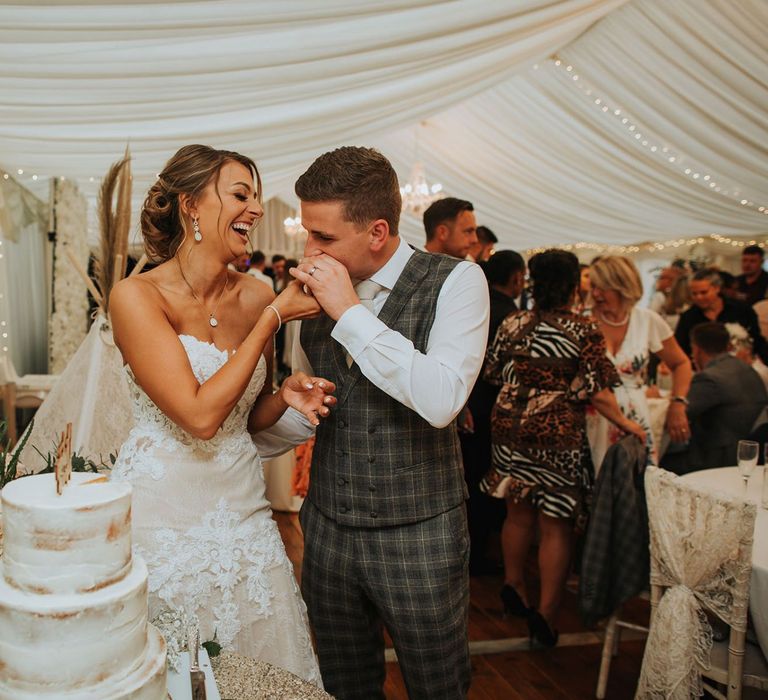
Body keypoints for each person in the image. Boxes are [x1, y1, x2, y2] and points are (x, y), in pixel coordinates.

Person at [109, 145, 334, 685]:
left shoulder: (255, 295)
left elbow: (239, 414)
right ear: (190, 205)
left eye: (255, 196)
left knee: (265, 668)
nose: (256, 209)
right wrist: (274, 318)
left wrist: (283, 397)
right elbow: (198, 415)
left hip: (244, 511)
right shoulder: (137, 297)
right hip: (164, 515)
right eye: (240, 194)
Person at [286, 146, 489, 699]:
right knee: (344, 682)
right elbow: (310, 408)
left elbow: (443, 397)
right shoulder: (307, 298)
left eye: (323, 238)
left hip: (420, 531)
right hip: (327, 527)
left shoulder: (458, 282)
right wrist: (288, 408)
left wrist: (348, 311)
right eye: (308, 233)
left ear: (377, 231)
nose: (309, 251)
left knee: (436, 683)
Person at [479, 250, 645, 648]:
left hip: (509, 423)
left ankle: (514, 586)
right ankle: (547, 613)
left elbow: (490, 371)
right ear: (574, 286)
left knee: (517, 513)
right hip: (556, 429)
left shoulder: (513, 321)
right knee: (556, 523)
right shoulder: (583, 329)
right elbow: (600, 393)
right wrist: (627, 425)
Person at [587, 256, 692, 467]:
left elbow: (681, 363)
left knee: (634, 483)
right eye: (594, 286)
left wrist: (678, 403)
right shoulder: (582, 321)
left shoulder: (647, 320)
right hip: (592, 415)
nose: (596, 294)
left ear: (623, 287)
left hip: (635, 415)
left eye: (603, 287)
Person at [462, 250, 525, 575]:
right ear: (516, 278)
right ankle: (478, 555)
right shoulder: (511, 315)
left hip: (470, 404)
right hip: (491, 408)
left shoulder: (479, 304)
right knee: (485, 481)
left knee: (472, 479)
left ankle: (475, 552)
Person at [662, 322, 768, 473]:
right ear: (728, 345)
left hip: (716, 458)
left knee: (656, 463)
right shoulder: (746, 368)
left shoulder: (710, 377)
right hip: (748, 452)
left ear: (696, 349)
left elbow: (679, 415)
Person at [675, 267, 768, 363]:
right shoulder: (688, 317)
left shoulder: (741, 310)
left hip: (739, 366)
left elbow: (757, 340)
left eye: (704, 292)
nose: (699, 297)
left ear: (717, 288)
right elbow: (680, 347)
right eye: (694, 293)